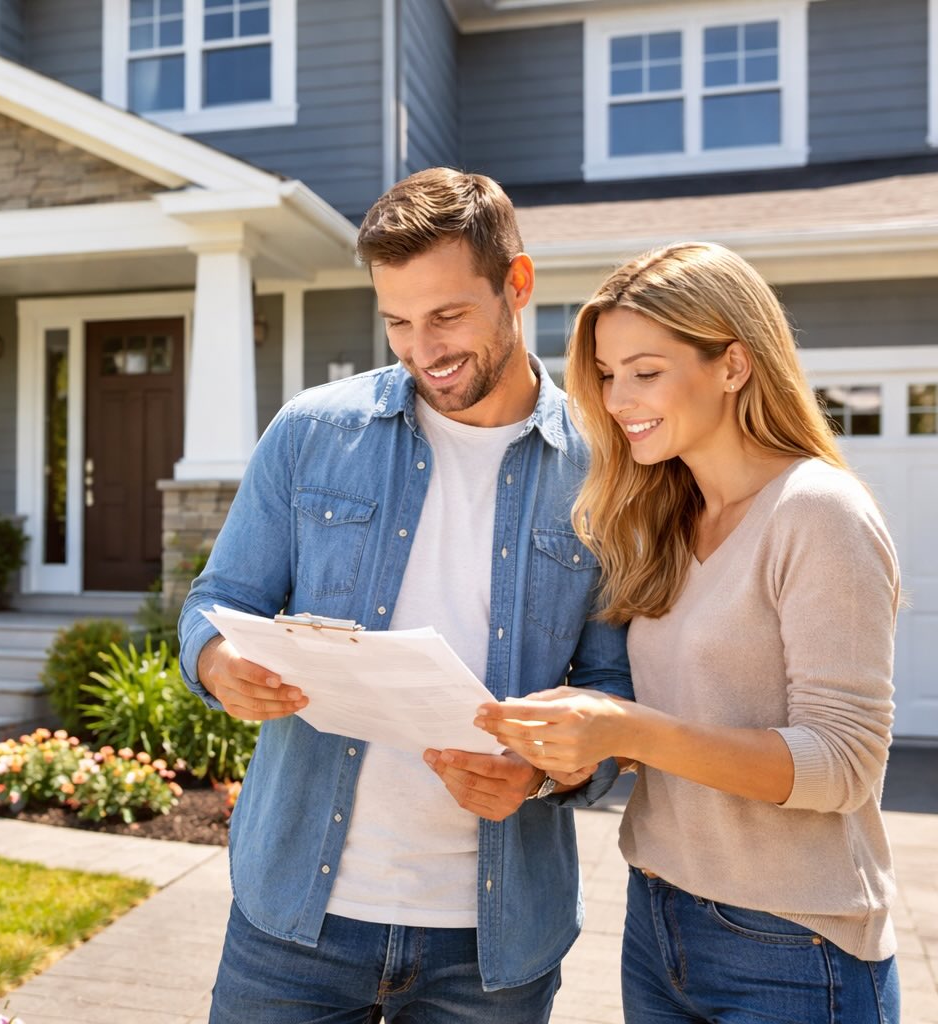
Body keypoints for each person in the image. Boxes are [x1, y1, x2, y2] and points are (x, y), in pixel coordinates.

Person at [176, 167, 633, 1023]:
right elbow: (215, 598)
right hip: (292, 927)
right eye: (398, 322)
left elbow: (617, 696)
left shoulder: (604, 472)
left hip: (491, 946)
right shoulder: (311, 433)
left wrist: (541, 777)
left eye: (448, 315)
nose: (425, 348)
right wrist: (218, 659)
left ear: (517, 285)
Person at [476, 241, 902, 1023]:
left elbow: (845, 765)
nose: (616, 399)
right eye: (607, 376)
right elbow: (688, 720)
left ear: (733, 364)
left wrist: (625, 728)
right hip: (660, 921)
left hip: (795, 947)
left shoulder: (817, 513)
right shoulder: (668, 519)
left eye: (646, 371)